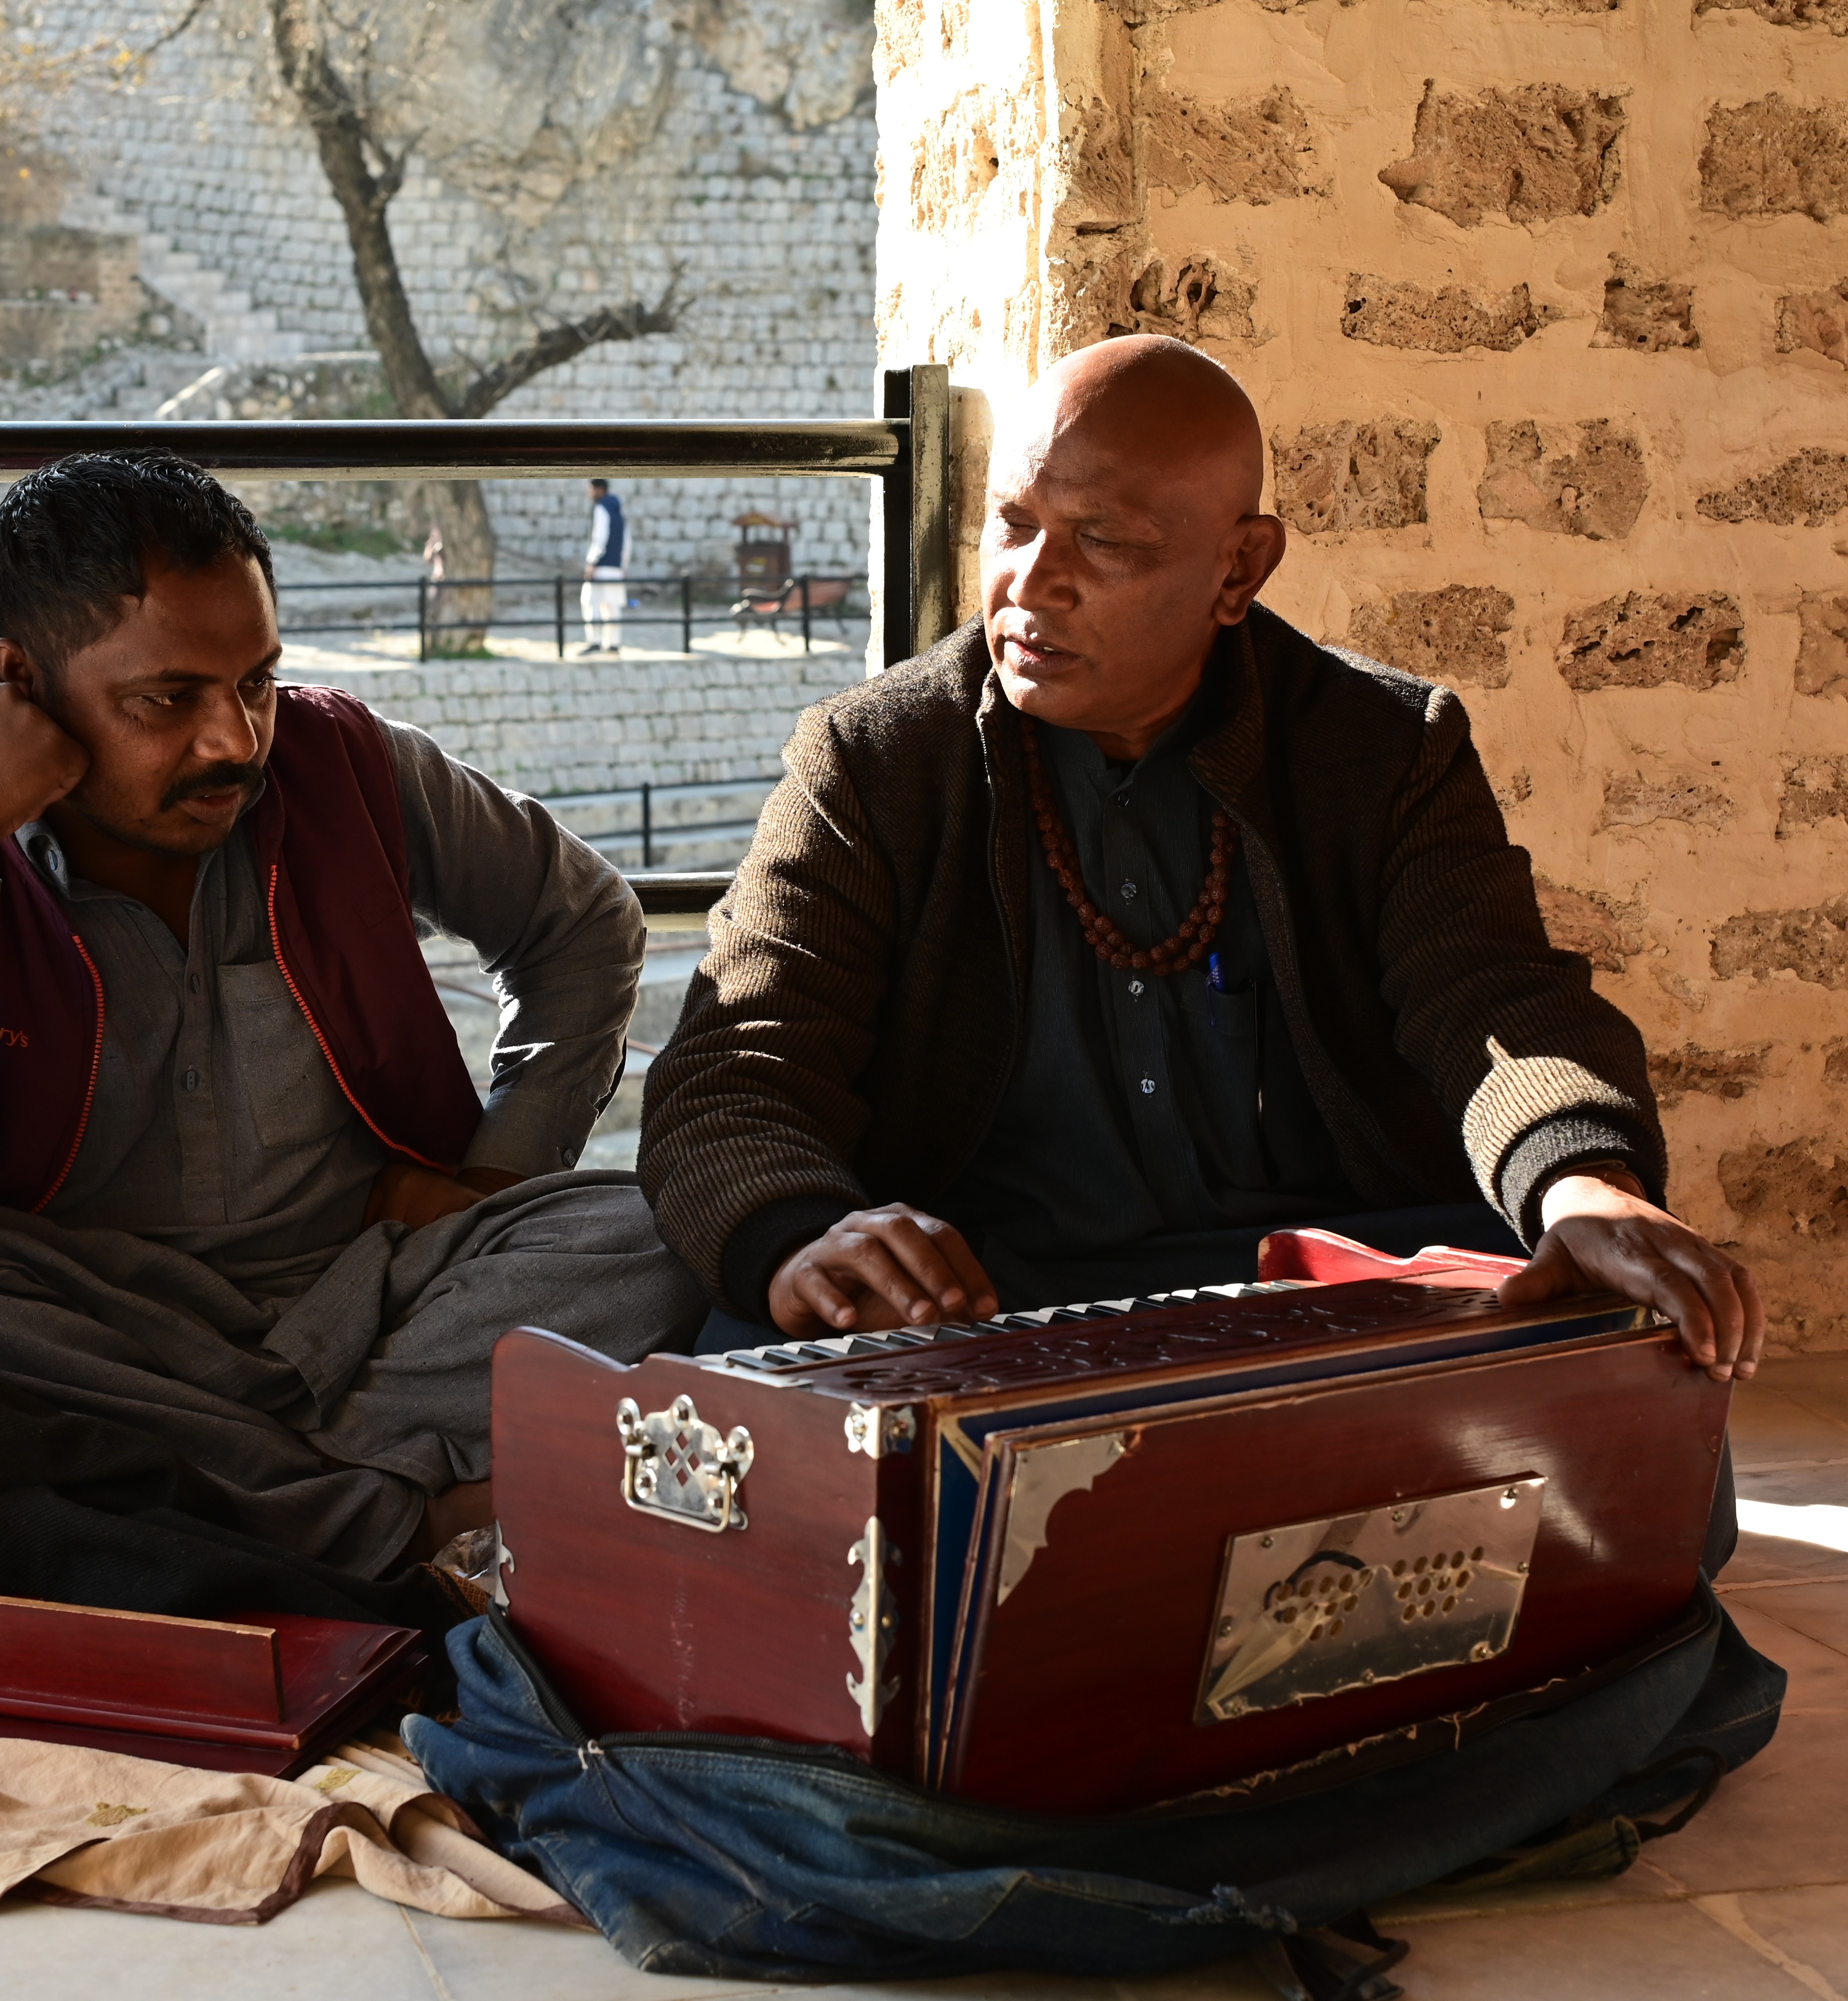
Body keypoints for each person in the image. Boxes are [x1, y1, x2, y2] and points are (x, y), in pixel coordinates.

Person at [640, 336, 1765, 1383]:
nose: (1031, 582)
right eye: (1014, 522)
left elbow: (1491, 1001)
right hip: (994, 1290)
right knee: (758, 1372)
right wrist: (800, 1231)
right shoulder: (878, 760)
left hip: (1330, 1281)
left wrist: (1581, 1182)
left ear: (1241, 568)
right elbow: (738, 1063)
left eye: (1105, 539)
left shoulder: (1382, 746)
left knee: (1634, 1389)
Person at [0, 450, 701, 1579]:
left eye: (253, 681)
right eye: (168, 700)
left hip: (380, 1297)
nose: (234, 740)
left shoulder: (343, 766)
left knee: (672, 1230)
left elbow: (581, 922)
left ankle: (220, 1500)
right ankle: (390, 1512)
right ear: (21, 678)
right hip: (86, 1334)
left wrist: (497, 1174)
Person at [580, 477, 629, 653]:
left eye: (591, 489)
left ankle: (595, 641)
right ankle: (614, 643)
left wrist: (592, 562)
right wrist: (623, 566)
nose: (590, 493)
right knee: (613, 607)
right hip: (615, 568)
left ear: (599, 489)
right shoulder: (619, 513)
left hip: (602, 566)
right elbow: (627, 542)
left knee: (591, 603)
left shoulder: (601, 509)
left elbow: (599, 538)